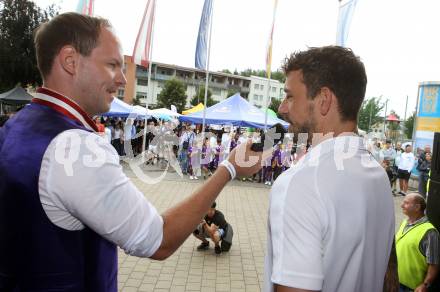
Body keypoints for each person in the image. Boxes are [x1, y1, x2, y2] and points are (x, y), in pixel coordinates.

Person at [0, 13, 265, 291]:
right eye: (113, 65)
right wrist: (230, 168)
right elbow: (158, 240)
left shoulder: (14, 127)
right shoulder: (75, 146)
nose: (123, 79)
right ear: (70, 61)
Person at [264, 46, 395, 292]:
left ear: (324, 100)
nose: (282, 108)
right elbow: (388, 276)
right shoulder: (378, 176)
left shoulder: (300, 183)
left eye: (290, 96)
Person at [396, 193, 439, 291]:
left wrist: (425, 285)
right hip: (396, 281)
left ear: (417, 207)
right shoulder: (404, 223)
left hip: (412, 288)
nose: (402, 205)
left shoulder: (430, 232)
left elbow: (434, 264)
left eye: (406, 203)